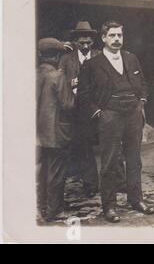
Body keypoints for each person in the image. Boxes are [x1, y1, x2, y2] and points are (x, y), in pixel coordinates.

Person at [78, 21, 154, 223]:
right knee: (110, 161)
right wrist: (98, 113)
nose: (116, 39)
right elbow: (84, 96)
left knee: (134, 159)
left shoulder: (131, 58)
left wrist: (142, 101)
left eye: (119, 35)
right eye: (112, 35)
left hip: (133, 114)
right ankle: (109, 206)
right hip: (110, 115)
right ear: (103, 38)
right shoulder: (92, 64)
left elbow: (143, 83)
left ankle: (136, 200)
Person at [59, 21, 101, 198]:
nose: (85, 44)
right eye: (81, 40)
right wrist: (70, 83)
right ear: (75, 41)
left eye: (88, 40)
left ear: (93, 40)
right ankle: (90, 183)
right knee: (84, 147)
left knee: (111, 145)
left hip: (97, 108)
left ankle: (118, 183)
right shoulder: (66, 59)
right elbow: (59, 83)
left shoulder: (100, 56)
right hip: (75, 110)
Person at [36, 38, 75, 222]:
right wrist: (73, 88)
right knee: (56, 173)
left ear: (40, 54)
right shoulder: (58, 76)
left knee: (43, 172)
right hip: (56, 132)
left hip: (38, 133)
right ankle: (55, 210)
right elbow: (68, 104)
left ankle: (43, 207)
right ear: (58, 56)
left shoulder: (35, 73)